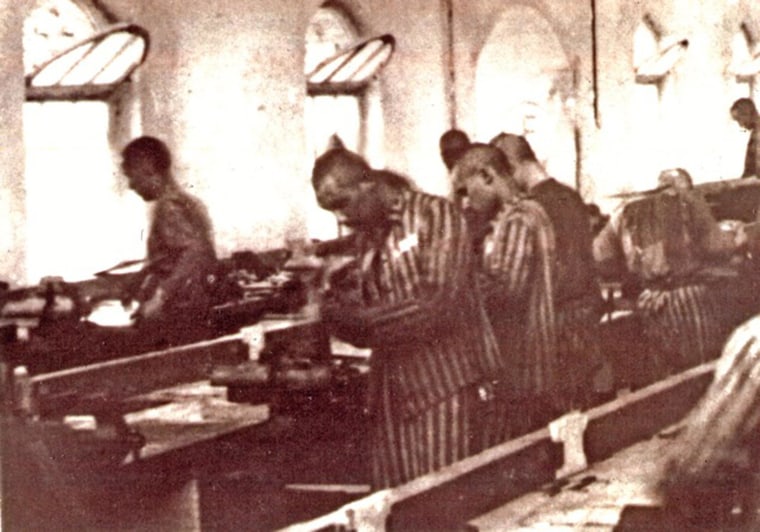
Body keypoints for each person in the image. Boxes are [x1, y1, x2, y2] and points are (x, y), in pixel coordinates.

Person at [311, 146, 503, 489]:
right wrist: (333, 306)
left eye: (343, 203)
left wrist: (356, 321)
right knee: (394, 508)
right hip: (391, 392)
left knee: (441, 502)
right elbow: (369, 305)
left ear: (368, 184)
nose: (342, 218)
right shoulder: (369, 236)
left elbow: (436, 304)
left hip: (442, 387)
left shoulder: (436, 216)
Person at [593, 168, 745, 381]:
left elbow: (600, 258)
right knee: (700, 374)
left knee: (665, 376)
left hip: (651, 302)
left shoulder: (625, 211)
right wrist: (737, 238)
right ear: (684, 186)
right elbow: (716, 247)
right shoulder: (690, 203)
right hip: (690, 301)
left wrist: (635, 266)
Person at [491, 133, 607, 408]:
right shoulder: (569, 196)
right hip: (582, 317)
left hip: (559, 325)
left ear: (511, 166)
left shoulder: (535, 207)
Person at [452, 143, 561, 435]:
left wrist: (453, 277)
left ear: (487, 176)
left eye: (465, 190)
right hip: (530, 366)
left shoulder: (518, 219)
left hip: (521, 368)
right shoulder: (529, 213)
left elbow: (504, 292)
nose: (465, 203)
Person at [120, 136, 217, 334]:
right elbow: (174, 254)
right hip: (196, 305)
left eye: (131, 175)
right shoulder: (191, 202)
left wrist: (160, 297)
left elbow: (193, 252)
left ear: (148, 169)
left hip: (179, 310)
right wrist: (141, 276)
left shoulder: (168, 207)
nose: (131, 185)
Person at [730, 97, 760, 178]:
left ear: (747, 114)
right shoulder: (755, 133)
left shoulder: (758, 134)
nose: (740, 125)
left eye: (739, 119)